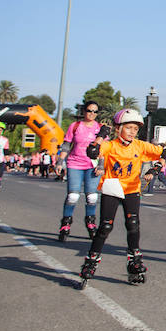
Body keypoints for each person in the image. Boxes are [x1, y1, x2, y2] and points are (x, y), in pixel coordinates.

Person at [78, 109, 166, 287]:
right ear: (118, 128)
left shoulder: (140, 146)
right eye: (128, 128)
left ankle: (134, 260)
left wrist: (156, 168)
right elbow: (92, 152)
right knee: (105, 226)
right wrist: (101, 136)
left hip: (131, 189)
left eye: (135, 129)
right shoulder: (110, 145)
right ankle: (91, 261)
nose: (132, 132)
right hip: (112, 189)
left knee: (133, 225)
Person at [57, 101, 103, 241]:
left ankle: (90, 223)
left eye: (95, 111)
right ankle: (65, 224)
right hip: (75, 163)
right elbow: (66, 145)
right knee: (73, 196)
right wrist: (60, 162)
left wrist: (101, 165)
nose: (92, 114)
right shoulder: (75, 126)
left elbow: (104, 149)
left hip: (92, 165)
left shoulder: (100, 128)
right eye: (89, 110)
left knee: (92, 197)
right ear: (84, 111)